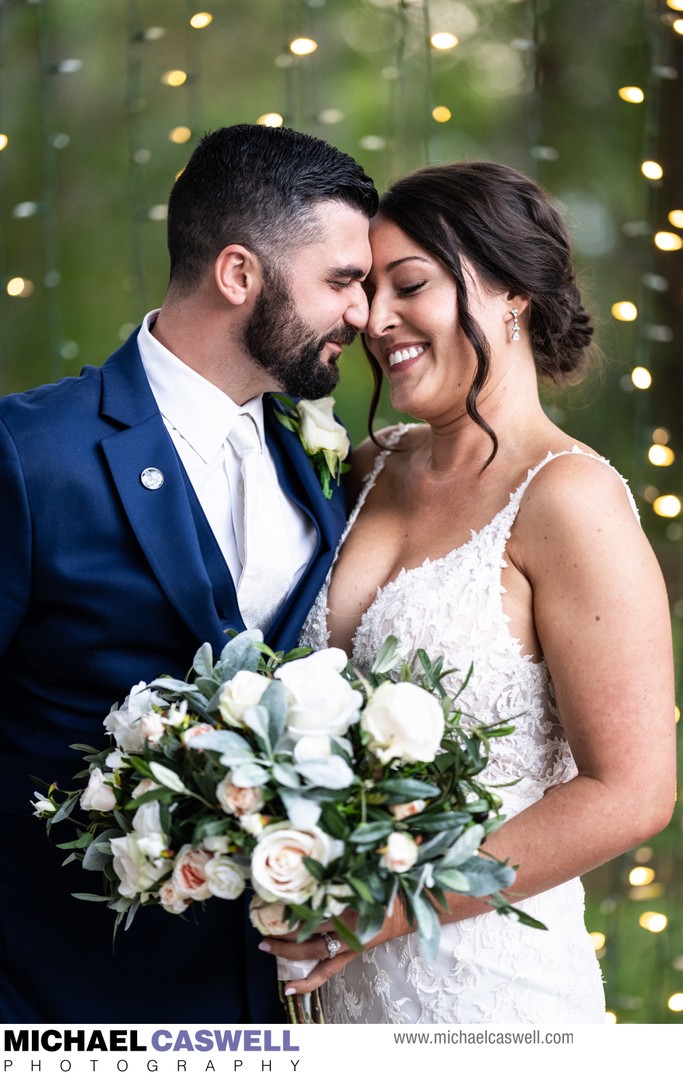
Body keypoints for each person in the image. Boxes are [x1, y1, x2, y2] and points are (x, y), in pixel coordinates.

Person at [261, 160, 677, 1023]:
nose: (374, 321)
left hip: (485, 994)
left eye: (408, 285)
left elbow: (630, 792)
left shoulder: (570, 499)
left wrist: (382, 903)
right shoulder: (370, 468)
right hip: (335, 996)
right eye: (368, 290)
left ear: (510, 292)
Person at [0, 123, 376, 1022]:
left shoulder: (323, 463)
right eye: (341, 282)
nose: (363, 315)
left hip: (263, 1004)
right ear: (239, 274)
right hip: (58, 1000)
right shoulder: (28, 454)